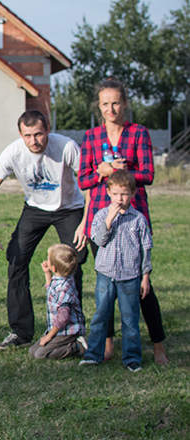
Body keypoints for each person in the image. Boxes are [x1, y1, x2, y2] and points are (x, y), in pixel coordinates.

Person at [78, 77, 167, 365]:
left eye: (116, 102)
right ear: (99, 106)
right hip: (101, 220)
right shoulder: (91, 137)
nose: (111, 108)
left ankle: (157, 345)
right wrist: (102, 172)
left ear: (125, 103)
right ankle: (107, 344)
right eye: (105, 104)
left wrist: (124, 173)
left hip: (133, 217)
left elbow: (149, 175)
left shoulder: (139, 133)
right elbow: (83, 179)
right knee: (106, 287)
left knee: (142, 287)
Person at [0, 110, 87, 350]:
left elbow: (88, 182)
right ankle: (21, 332)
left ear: (47, 129)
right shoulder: (13, 151)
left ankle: (74, 330)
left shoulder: (67, 146)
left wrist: (85, 222)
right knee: (16, 260)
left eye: (38, 134)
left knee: (75, 261)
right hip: (35, 209)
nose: (34, 141)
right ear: (20, 134)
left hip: (70, 208)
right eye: (27, 135)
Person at [79, 170, 152, 372]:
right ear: (109, 193)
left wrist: (145, 276)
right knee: (101, 315)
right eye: (116, 194)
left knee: (130, 319)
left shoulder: (138, 219)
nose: (120, 198)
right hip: (106, 274)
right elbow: (99, 240)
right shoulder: (101, 215)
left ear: (132, 194)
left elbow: (146, 248)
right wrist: (109, 220)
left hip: (130, 276)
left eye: (125, 194)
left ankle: (132, 358)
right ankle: (93, 354)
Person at [28, 244, 86, 359]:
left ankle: (77, 346)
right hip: (59, 330)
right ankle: (68, 343)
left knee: (40, 354)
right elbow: (52, 291)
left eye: (48, 259)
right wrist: (47, 274)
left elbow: (63, 317)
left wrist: (49, 336)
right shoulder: (63, 279)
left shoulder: (64, 288)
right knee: (32, 351)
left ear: (54, 268)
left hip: (68, 331)